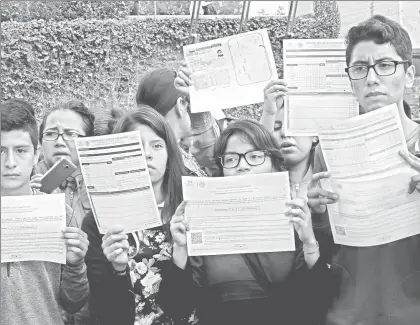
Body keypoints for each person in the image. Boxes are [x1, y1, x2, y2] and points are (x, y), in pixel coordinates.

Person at [158, 119, 331, 325]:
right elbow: (177, 307)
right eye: (231, 159)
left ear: (275, 164)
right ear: (221, 170)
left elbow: (318, 304)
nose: (242, 166)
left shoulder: (295, 221)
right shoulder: (202, 225)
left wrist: (310, 242)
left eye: (255, 157)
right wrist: (180, 250)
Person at [307, 15, 420, 325]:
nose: (372, 79)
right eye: (360, 69)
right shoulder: (326, 151)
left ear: (408, 75)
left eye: (385, 65)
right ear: (351, 80)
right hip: (348, 313)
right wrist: (316, 213)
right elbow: (328, 245)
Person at [82, 107, 195, 325]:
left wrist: (181, 252)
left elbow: (183, 306)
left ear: (170, 152)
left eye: (157, 145)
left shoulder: (188, 211)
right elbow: (106, 312)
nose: (147, 153)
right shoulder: (99, 222)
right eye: (135, 147)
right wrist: (117, 269)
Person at [1, 100, 90, 325]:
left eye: (20, 150)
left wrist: (75, 263)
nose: (10, 162)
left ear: (35, 154)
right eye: (1, 150)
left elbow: (74, 302)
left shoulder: (61, 213)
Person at [137, 66, 221, 177]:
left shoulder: (144, 156)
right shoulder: (175, 162)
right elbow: (216, 169)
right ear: (181, 104)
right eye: (188, 106)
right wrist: (199, 107)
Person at [31, 99, 94, 228]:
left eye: (71, 134)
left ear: (87, 142)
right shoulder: (25, 182)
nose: (59, 141)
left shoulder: (100, 185)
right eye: (50, 133)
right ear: (41, 142)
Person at [260, 79, 319, 198]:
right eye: (276, 127)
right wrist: (268, 113)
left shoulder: (330, 179)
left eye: (295, 125)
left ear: (315, 136)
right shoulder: (261, 184)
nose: (284, 133)